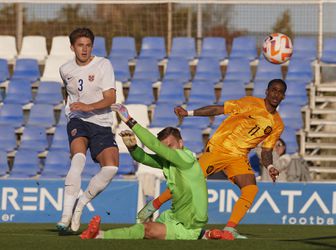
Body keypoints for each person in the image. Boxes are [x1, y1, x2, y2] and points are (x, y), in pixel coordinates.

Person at [137, 78, 286, 239]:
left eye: (280, 92)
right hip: (219, 149)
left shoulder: (278, 124)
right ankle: (154, 204)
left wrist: (270, 167)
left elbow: (266, 150)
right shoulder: (250, 103)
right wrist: (189, 113)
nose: (276, 94)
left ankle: (229, 229)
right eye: (273, 90)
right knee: (188, 181)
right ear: (267, 91)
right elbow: (218, 109)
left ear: (283, 96)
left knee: (251, 189)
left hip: (239, 157)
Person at [80, 103, 231, 240]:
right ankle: (207, 235)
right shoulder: (170, 161)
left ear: (181, 143)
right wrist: (132, 147)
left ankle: (99, 235)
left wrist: (129, 120)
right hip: (173, 216)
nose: (166, 151)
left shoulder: (185, 158)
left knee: (147, 230)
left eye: (169, 146)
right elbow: (143, 158)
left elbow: (154, 145)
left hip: (188, 225)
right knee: (143, 226)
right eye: (164, 147)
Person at [57, 27, 119, 232]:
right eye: (80, 45)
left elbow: (111, 98)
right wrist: (72, 109)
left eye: (88, 45)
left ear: (92, 46)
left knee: (111, 167)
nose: (84, 49)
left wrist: (88, 106)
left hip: (101, 121)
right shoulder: (65, 69)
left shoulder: (103, 64)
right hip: (78, 120)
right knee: (78, 158)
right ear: (72, 47)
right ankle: (65, 216)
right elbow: (66, 90)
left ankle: (80, 205)